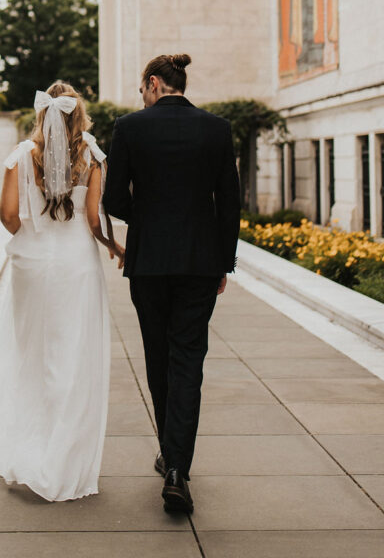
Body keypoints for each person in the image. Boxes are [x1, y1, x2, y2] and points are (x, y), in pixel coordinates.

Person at [103, 54, 241, 515]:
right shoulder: (217, 129)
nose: (141, 97)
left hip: (148, 264)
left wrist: (148, 222)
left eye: (142, 89)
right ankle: (178, 465)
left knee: (158, 358)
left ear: (155, 83)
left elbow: (114, 198)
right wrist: (223, 261)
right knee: (188, 361)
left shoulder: (130, 127)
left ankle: (171, 455)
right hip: (200, 263)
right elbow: (230, 202)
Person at [0, 81, 124, 502]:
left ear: (43, 113)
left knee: (32, 355)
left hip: (34, 265)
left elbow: (8, 216)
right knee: (74, 358)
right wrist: (114, 246)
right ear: (79, 114)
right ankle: (65, 461)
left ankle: (29, 450)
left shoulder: (22, 156)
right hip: (77, 265)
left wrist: (35, 232)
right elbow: (95, 220)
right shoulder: (93, 155)